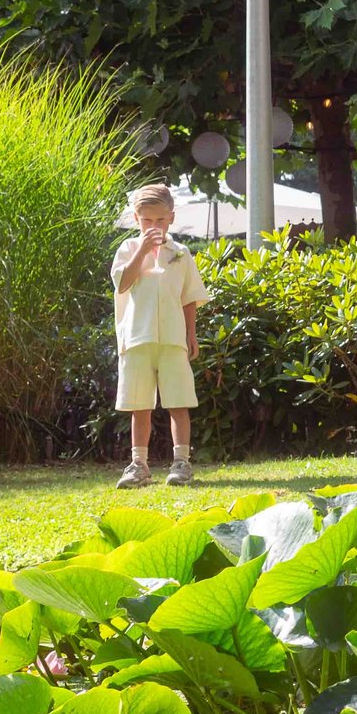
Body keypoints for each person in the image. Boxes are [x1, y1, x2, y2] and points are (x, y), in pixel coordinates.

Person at [112, 182, 206, 489]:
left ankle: (182, 463)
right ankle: (139, 464)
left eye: (160, 220)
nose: (154, 226)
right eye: (147, 221)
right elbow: (123, 284)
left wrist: (191, 334)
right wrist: (141, 249)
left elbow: (189, 296)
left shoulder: (180, 253)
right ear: (137, 219)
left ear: (171, 218)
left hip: (172, 337)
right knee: (140, 404)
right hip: (137, 337)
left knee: (178, 400)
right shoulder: (127, 249)